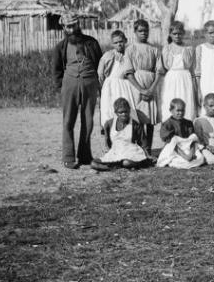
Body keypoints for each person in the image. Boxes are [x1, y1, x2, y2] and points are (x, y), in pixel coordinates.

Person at [52, 13, 103, 169]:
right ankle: (68, 157)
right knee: (68, 120)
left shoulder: (91, 43)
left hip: (90, 84)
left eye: (74, 25)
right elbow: (57, 69)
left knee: (88, 121)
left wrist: (100, 87)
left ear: (78, 25)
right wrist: (62, 87)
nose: (71, 29)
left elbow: (100, 66)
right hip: (70, 85)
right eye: (68, 27)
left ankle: (85, 155)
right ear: (64, 28)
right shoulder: (61, 46)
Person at [124, 19, 161, 156]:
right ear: (135, 32)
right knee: (136, 116)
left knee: (150, 119)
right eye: (140, 31)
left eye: (146, 31)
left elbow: (159, 71)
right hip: (136, 84)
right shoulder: (130, 49)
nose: (143, 33)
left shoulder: (154, 49)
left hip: (151, 82)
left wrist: (151, 89)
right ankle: (139, 148)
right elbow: (129, 73)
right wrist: (141, 89)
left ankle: (149, 149)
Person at [91, 98, 152, 171]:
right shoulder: (109, 124)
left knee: (127, 163)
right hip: (116, 152)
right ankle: (115, 166)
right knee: (93, 163)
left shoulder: (135, 125)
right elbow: (107, 143)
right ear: (116, 112)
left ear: (129, 111)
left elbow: (143, 142)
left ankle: (122, 165)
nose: (124, 114)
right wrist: (110, 153)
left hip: (130, 151)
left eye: (126, 112)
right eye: (121, 112)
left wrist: (147, 155)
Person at [98, 29, 139, 131]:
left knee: (125, 107)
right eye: (116, 43)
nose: (119, 44)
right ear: (112, 44)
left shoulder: (129, 55)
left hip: (125, 85)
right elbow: (101, 72)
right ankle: (109, 131)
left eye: (121, 41)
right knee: (109, 108)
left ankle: (127, 131)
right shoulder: (108, 56)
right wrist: (104, 84)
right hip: (110, 85)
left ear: (125, 40)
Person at [157, 21, 197, 123]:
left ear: (183, 33)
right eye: (174, 34)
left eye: (179, 33)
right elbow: (165, 66)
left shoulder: (188, 48)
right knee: (170, 98)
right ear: (170, 34)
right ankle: (170, 125)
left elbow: (191, 66)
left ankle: (186, 125)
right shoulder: (167, 49)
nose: (177, 36)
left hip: (184, 77)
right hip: (171, 77)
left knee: (185, 98)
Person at [156, 98, 204, 169]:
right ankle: (179, 162)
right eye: (178, 111)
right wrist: (185, 156)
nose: (180, 113)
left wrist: (191, 154)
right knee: (178, 160)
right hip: (175, 149)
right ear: (171, 110)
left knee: (200, 158)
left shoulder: (188, 123)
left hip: (187, 147)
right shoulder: (167, 124)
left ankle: (188, 160)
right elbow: (171, 143)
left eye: (182, 110)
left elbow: (192, 139)